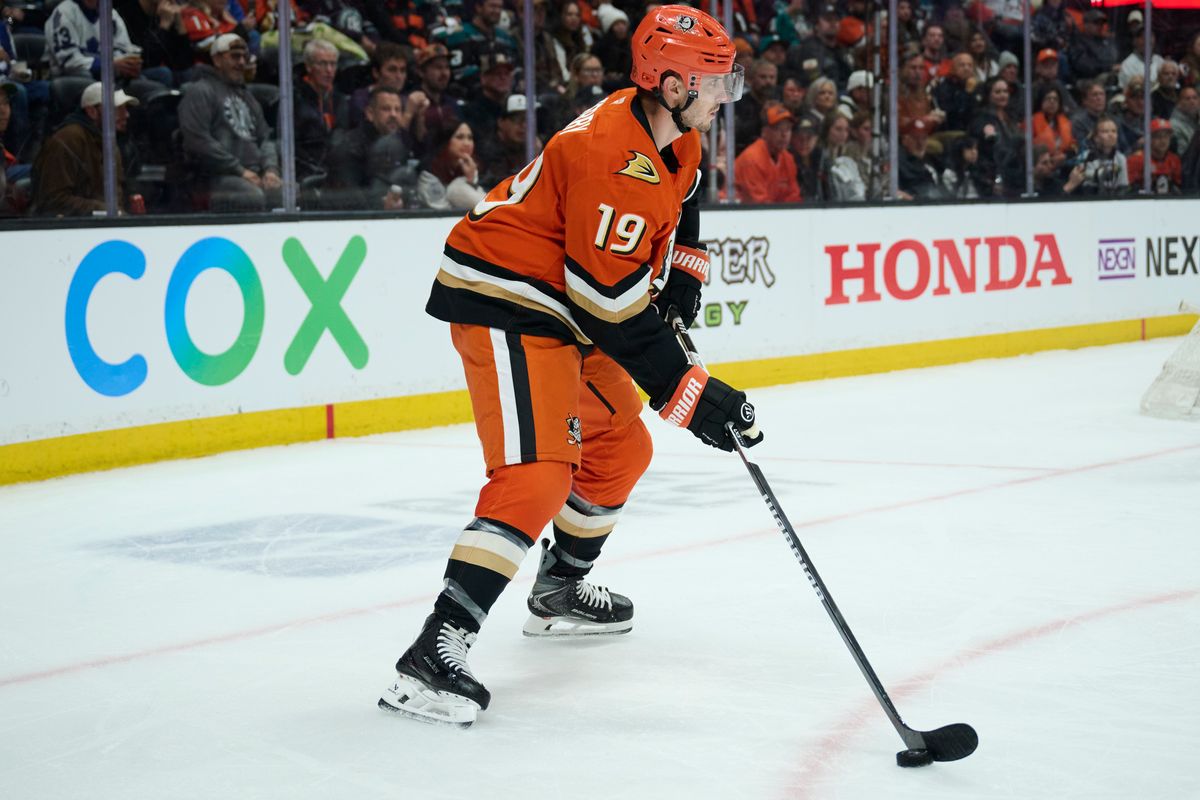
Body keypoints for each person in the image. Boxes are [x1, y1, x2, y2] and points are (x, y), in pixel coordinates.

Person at [377, 5, 762, 727]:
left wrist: (685, 273)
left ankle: (560, 589)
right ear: (673, 83)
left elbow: (686, 196)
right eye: (715, 82)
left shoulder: (672, 134)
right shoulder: (611, 155)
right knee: (538, 475)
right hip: (510, 297)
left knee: (621, 448)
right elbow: (608, 306)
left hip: (569, 302)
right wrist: (691, 394)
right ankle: (433, 651)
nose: (725, 95)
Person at [178, 33, 280, 211]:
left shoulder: (248, 97)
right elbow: (198, 141)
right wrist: (240, 170)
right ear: (217, 60)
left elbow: (265, 138)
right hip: (217, 177)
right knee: (253, 197)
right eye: (235, 56)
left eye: (244, 57)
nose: (242, 62)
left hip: (253, 173)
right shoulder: (200, 91)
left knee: (292, 193)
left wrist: (270, 170)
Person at [31, 81, 137, 215]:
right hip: (66, 230)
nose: (126, 114)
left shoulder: (110, 141)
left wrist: (129, 206)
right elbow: (52, 200)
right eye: (116, 109)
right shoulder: (69, 139)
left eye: (125, 108)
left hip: (102, 226)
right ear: (92, 111)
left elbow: (117, 195)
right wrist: (104, 209)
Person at [327, 86, 413, 210]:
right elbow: (348, 202)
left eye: (398, 110)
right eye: (386, 109)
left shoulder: (398, 145)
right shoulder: (349, 150)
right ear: (370, 114)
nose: (393, 115)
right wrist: (381, 206)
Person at [294, 38, 349, 181]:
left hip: (335, 170)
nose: (329, 71)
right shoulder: (294, 99)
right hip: (305, 171)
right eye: (323, 64)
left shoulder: (340, 100)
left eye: (332, 64)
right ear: (309, 67)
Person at [734, 101, 799, 203]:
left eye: (788, 129)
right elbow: (759, 205)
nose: (784, 134)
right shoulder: (752, 158)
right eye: (778, 129)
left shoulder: (788, 159)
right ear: (764, 132)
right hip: (736, 215)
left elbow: (794, 197)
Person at [414, 119, 484, 209]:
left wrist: (471, 180)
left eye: (470, 138)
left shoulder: (475, 166)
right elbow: (440, 209)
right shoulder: (430, 170)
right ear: (446, 142)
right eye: (460, 137)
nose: (467, 143)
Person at [477, 94, 540, 191]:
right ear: (501, 122)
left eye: (527, 119)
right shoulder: (488, 149)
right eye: (517, 119)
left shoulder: (529, 146)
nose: (523, 125)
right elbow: (501, 185)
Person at [1127, 118, 1183, 195]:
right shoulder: (1136, 160)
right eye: (1158, 137)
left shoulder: (1174, 160)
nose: (1163, 141)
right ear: (1149, 138)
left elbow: (1178, 186)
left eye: (1166, 137)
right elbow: (1130, 189)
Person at [1076, 115, 1129, 196]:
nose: (1110, 135)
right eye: (1105, 131)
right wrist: (1099, 174)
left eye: (1114, 131)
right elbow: (1081, 179)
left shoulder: (1120, 158)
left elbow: (1123, 186)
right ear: (1096, 137)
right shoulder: (1085, 157)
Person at [897, 116, 945, 200]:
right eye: (915, 138)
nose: (920, 143)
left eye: (924, 138)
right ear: (905, 140)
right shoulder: (898, 163)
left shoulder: (933, 160)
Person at [1030, 84, 1075, 168]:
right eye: (1048, 98)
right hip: (1041, 166)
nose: (1052, 102)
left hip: (1064, 164)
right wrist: (1050, 159)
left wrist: (1065, 156)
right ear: (1041, 101)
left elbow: (1073, 145)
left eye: (1055, 99)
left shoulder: (1066, 122)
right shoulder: (1030, 122)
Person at [1071, 78, 1107, 147]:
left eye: (1102, 94)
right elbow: (1082, 147)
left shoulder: (1110, 119)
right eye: (1095, 95)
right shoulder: (1078, 122)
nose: (1099, 98)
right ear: (1085, 100)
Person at [1170, 86, 1199, 153]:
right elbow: (1183, 155)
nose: (1192, 101)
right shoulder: (1174, 125)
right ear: (1179, 103)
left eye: (1195, 98)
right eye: (1187, 99)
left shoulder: (1197, 119)